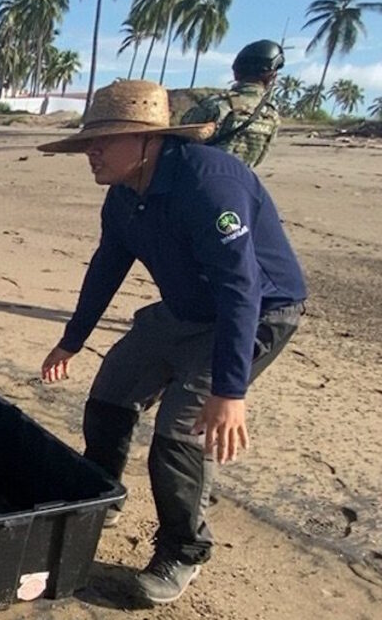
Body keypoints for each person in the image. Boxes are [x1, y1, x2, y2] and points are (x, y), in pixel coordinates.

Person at [36, 80, 307, 605]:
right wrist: (71, 341)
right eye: (87, 141)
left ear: (149, 141)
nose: (90, 151)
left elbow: (240, 288)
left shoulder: (208, 183)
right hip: (184, 310)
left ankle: (183, 550)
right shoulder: (123, 196)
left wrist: (229, 391)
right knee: (111, 391)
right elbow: (107, 265)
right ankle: (103, 496)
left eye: (103, 140)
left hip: (255, 312)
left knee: (180, 432)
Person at [180, 40, 285, 167]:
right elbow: (259, 158)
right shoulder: (271, 115)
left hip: (201, 179)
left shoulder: (216, 105)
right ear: (271, 77)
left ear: (236, 74)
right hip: (240, 183)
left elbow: (180, 143)